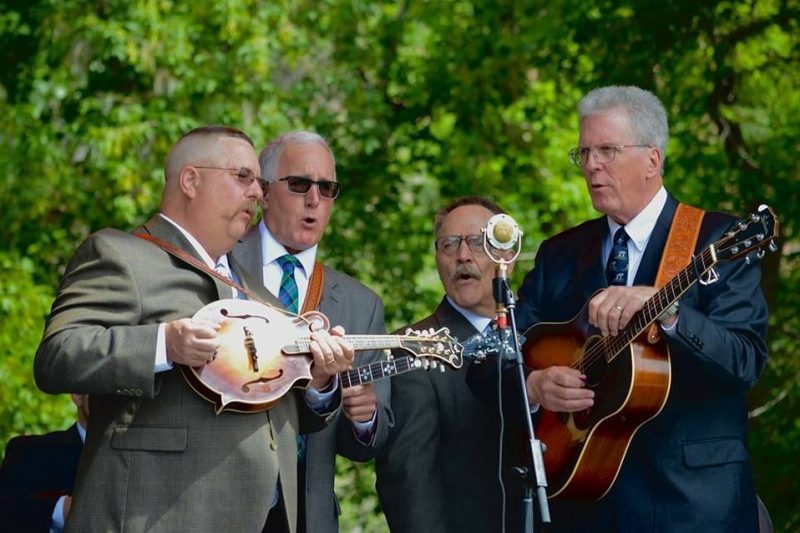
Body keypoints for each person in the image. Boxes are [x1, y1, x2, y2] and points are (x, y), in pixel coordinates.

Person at [33, 125, 355, 532]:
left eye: (257, 181)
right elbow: (57, 356)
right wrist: (164, 344)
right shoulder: (122, 254)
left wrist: (319, 383)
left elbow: (277, 416)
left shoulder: (258, 294)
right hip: (155, 517)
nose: (257, 192)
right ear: (190, 180)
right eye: (243, 177)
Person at [514, 86, 768, 530]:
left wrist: (668, 313)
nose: (592, 165)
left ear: (653, 160)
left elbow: (745, 360)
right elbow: (498, 354)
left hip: (693, 506)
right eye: (585, 152)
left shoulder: (716, 239)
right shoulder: (560, 254)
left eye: (608, 150)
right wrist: (533, 386)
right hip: (583, 503)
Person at [232, 131, 390, 533]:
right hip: (224, 504)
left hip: (308, 517)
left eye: (327, 188)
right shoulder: (219, 265)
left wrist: (366, 417)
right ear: (264, 192)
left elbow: (366, 445)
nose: (314, 199)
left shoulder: (361, 303)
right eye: (300, 184)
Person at [375, 196, 523, 533]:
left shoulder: (542, 337)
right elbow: (409, 481)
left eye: (477, 242)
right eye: (449, 244)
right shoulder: (411, 348)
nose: (463, 256)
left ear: (508, 256)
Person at [0, 394, 88, 532]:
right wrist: (60, 510)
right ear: (78, 395)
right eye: (102, 388)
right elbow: (5, 512)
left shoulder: (134, 464)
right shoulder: (30, 451)